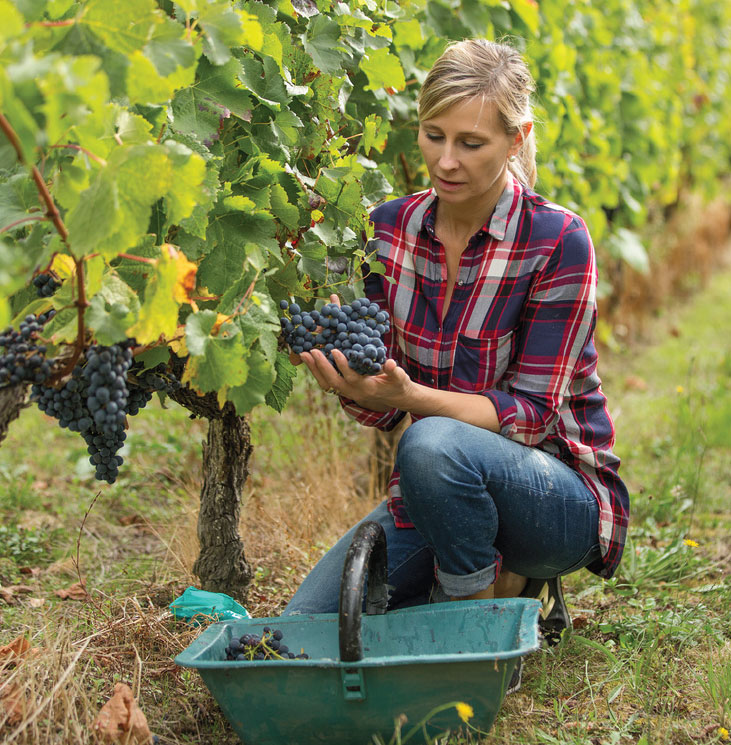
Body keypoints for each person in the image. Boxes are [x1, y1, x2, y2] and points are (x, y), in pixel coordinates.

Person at [283, 39, 629, 663]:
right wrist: (352, 384)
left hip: (556, 497)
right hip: (437, 494)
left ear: (517, 138)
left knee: (432, 439)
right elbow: (383, 406)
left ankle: (475, 632)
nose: (446, 161)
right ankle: (489, 585)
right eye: (432, 135)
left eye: (471, 143)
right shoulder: (387, 232)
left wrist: (412, 398)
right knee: (305, 630)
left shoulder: (558, 239)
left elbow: (530, 417)